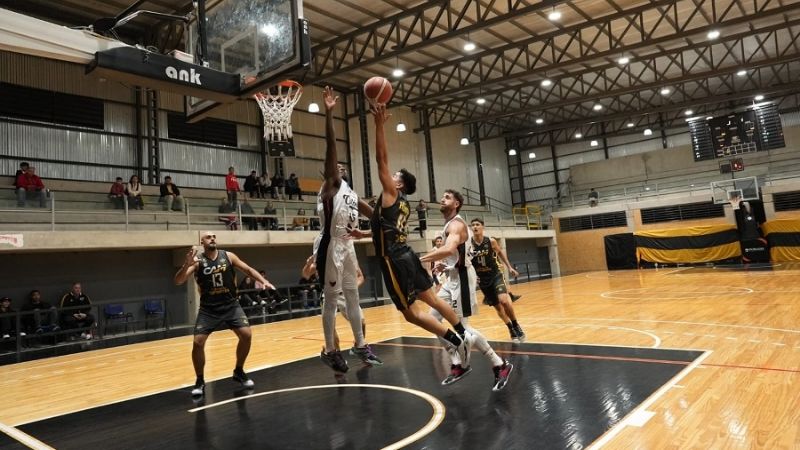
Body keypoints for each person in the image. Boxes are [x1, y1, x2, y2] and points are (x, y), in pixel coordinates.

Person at [358, 103, 470, 380]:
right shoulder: (403, 204)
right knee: (430, 298)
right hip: (405, 252)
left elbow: (380, 159)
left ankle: (455, 340)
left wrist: (379, 124)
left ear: (399, 185)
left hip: (393, 259)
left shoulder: (391, 193)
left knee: (410, 314)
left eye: (394, 176)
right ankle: (463, 332)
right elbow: (379, 222)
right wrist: (363, 231)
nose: (390, 175)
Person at [313, 86, 381, 373]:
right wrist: (329, 113)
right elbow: (331, 146)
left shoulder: (351, 193)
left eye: (341, 165)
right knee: (330, 300)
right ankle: (330, 349)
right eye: (334, 165)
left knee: (354, 297)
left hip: (347, 245)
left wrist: (380, 225)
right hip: (329, 245)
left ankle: (360, 344)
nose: (338, 165)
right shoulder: (329, 186)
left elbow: (376, 216)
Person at [420, 190, 513, 390]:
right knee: (432, 320)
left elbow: (449, 250)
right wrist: (446, 265)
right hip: (453, 276)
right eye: (442, 196)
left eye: (447, 197)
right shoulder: (450, 224)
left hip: (462, 279)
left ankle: (499, 364)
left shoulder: (456, 224)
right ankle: (457, 360)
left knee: (464, 329)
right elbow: (458, 255)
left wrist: (419, 260)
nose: (442, 199)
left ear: (457, 204)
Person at [174, 231, 277, 397]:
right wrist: (186, 265)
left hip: (231, 305)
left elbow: (248, 269)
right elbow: (178, 281)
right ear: (202, 242)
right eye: (208, 237)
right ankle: (200, 380)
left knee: (246, 335)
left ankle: (239, 371)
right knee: (198, 343)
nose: (212, 238)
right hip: (209, 309)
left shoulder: (228, 256)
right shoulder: (197, 261)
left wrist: (263, 281)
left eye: (214, 236)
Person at [469, 217, 525, 341]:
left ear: (483, 227)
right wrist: (473, 277)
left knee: (504, 301)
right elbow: (467, 262)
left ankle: (516, 324)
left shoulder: (491, 241)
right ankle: (510, 327)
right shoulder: (469, 244)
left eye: (477, 224)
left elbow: (500, 253)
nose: (475, 227)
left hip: (495, 275)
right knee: (498, 307)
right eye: (472, 225)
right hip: (483, 280)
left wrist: (509, 267)